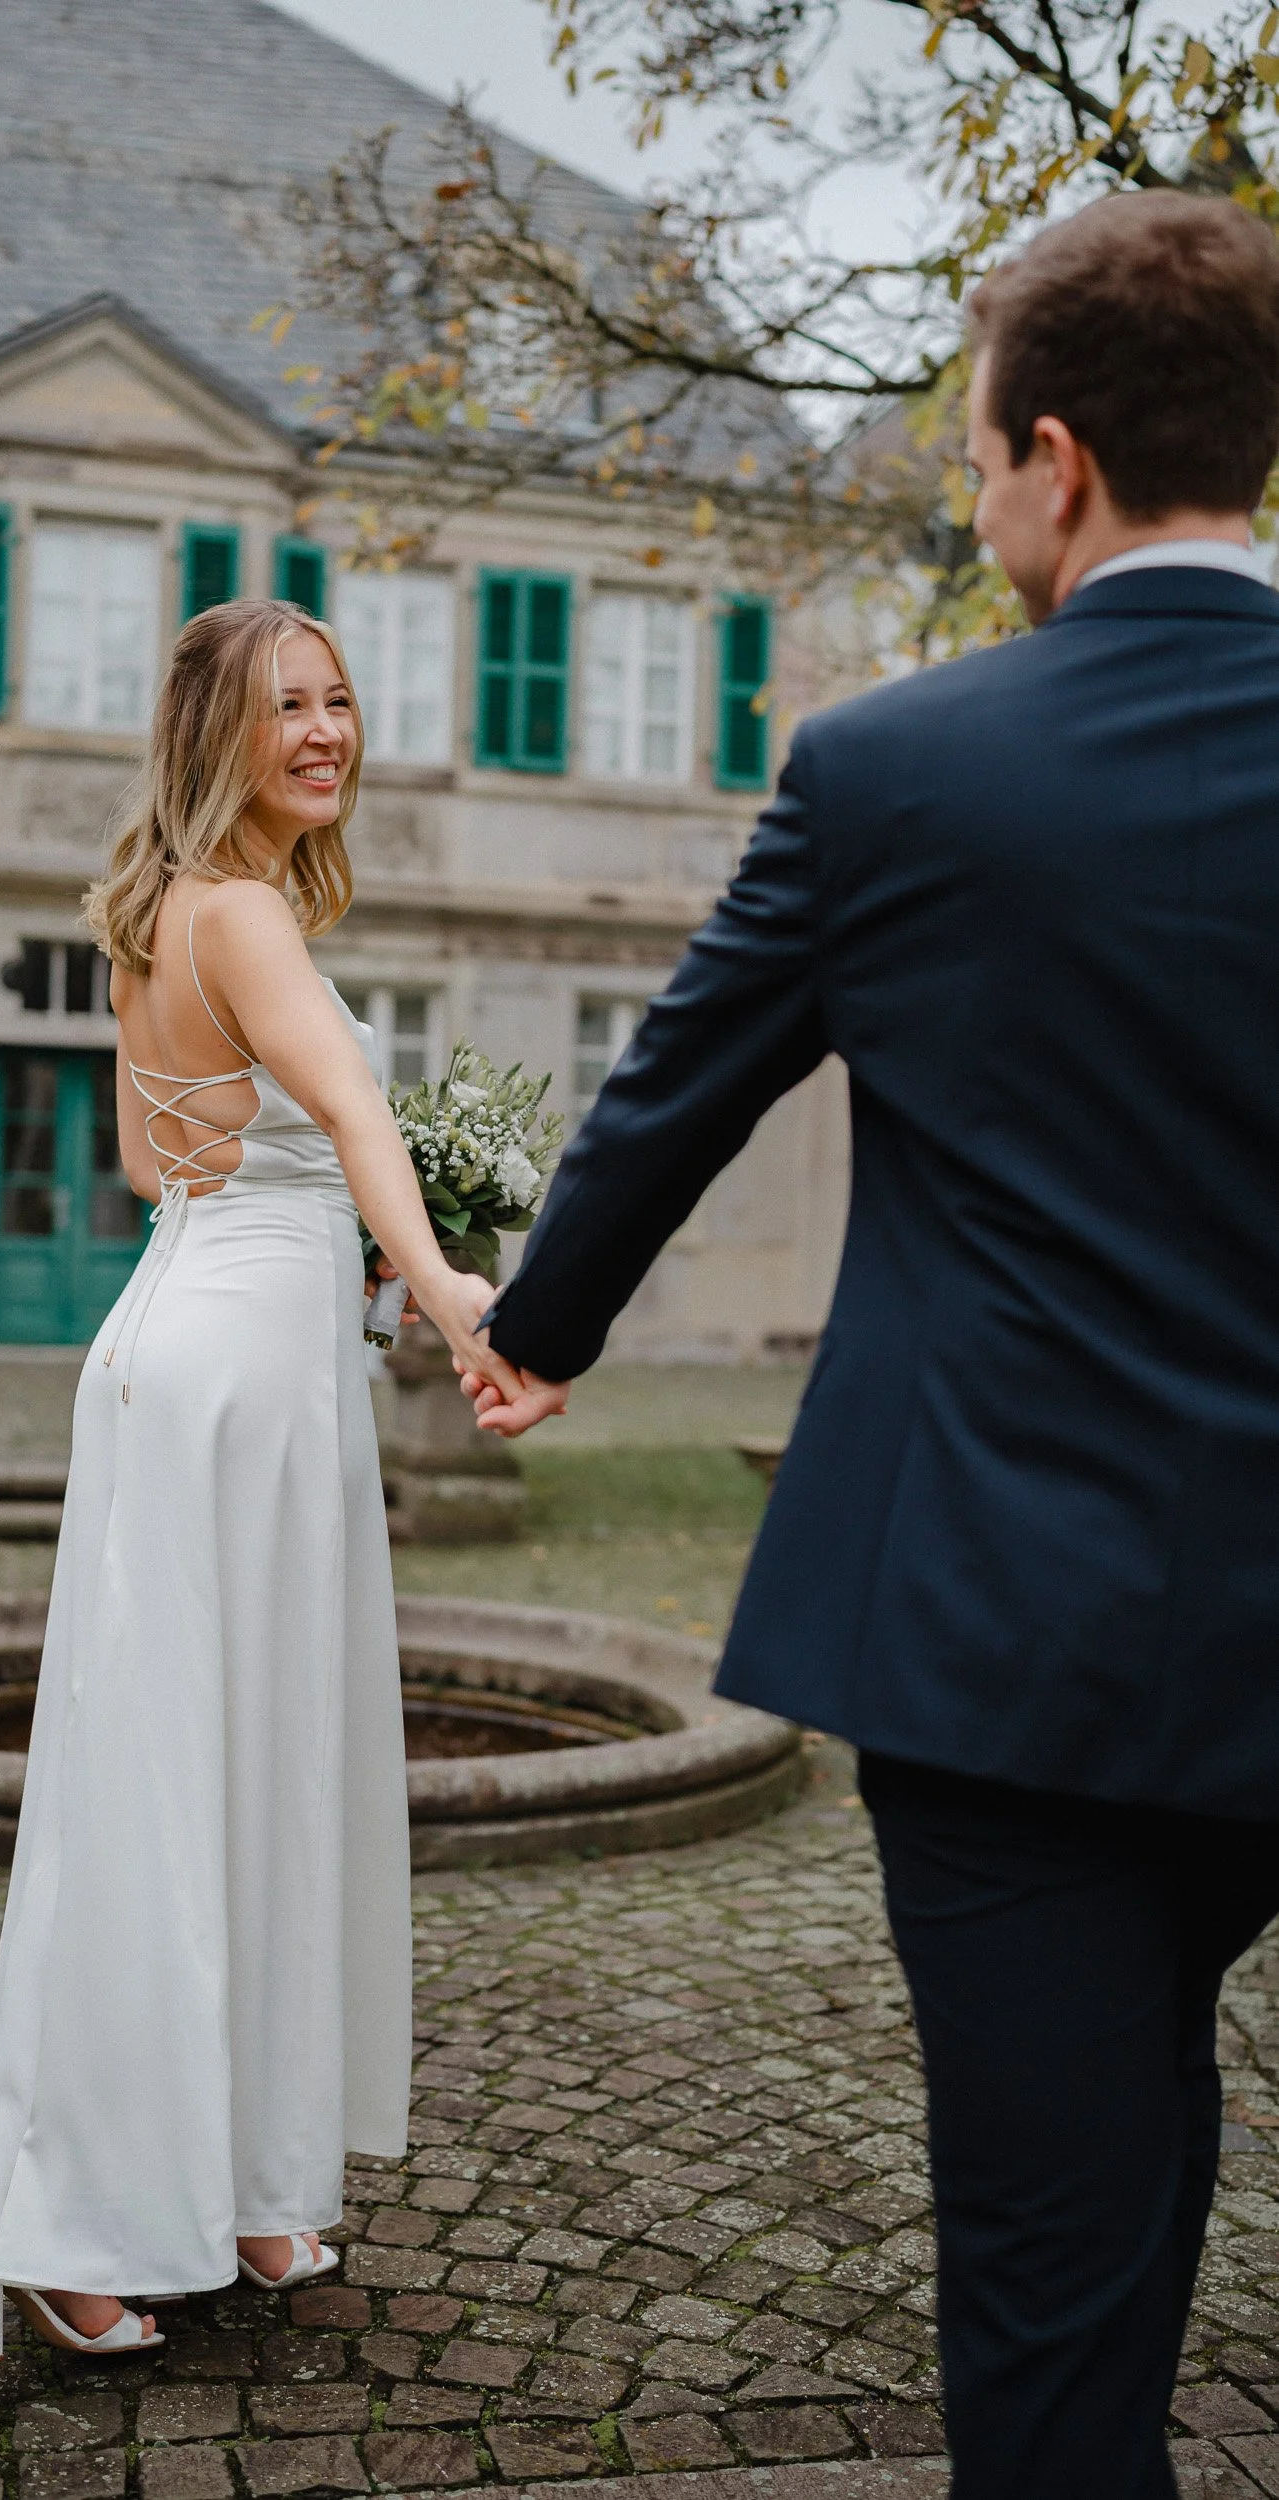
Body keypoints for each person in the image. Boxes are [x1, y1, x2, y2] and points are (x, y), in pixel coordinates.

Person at [466, 192, 1279, 2498]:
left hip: (1009, 1643)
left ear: (1052, 458)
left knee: (1053, 2281)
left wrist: (537, 1330)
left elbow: (673, 1090)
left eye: (974, 466)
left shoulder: (891, 770)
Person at [0, 598, 515, 2361]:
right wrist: (450, 1293)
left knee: (250, 1767)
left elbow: (152, 1162)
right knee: (176, 1790)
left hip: (197, 1349)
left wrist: (337, 1259)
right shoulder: (242, 910)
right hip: (233, 1386)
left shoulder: (156, 919)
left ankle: (252, 2188)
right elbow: (345, 1115)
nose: (328, 729)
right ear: (220, 732)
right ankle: (72, 2224)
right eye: (290, 706)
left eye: (342, 700)